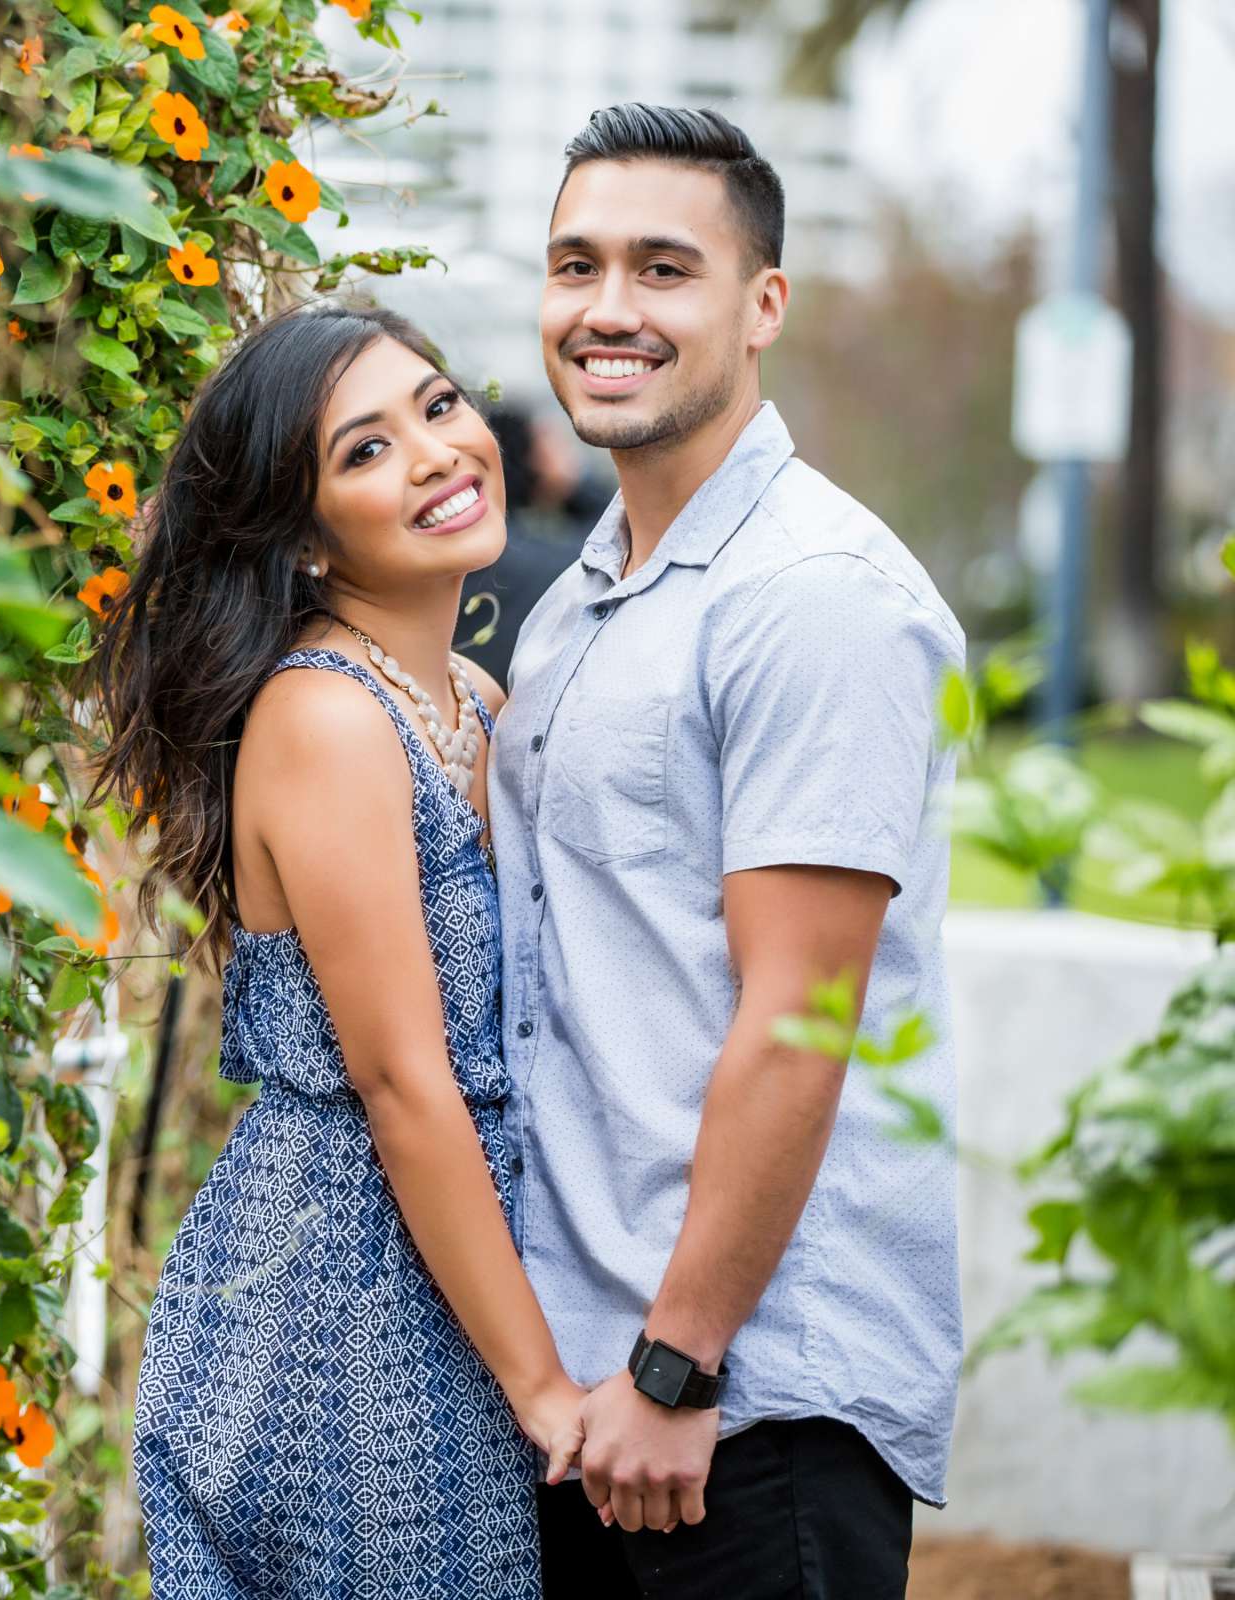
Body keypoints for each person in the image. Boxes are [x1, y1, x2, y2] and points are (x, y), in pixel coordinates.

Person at [492, 103, 965, 1598]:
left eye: (662, 269)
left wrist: (679, 1364)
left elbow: (795, 1021)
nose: (608, 310)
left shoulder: (815, 596)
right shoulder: (582, 601)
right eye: (576, 267)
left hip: (746, 1405)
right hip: (592, 1388)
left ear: (763, 305)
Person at [97, 301, 582, 1597]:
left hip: (461, 1258)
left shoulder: (473, 701)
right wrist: (543, 1389)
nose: (434, 453)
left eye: (436, 406)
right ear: (306, 539)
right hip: (348, 1297)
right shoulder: (328, 715)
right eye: (366, 450)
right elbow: (405, 1082)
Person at [456, 406, 607, 680]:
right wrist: (575, 482)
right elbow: (621, 541)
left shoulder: (450, 557)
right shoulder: (550, 566)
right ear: (538, 459)